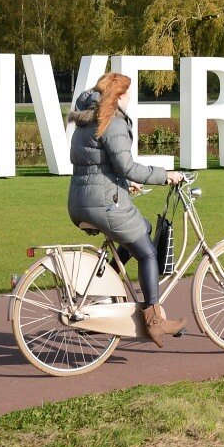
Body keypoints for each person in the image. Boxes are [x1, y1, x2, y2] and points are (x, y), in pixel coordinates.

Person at [67, 72, 186, 347]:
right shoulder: (113, 121)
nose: (130, 99)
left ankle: (101, 296)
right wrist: (165, 174)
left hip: (79, 201)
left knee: (142, 227)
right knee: (146, 252)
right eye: (128, 94)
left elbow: (97, 164)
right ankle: (154, 321)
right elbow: (126, 165)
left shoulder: (86, 119)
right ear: (119, 96)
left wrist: (125, 183)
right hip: (104, 204)